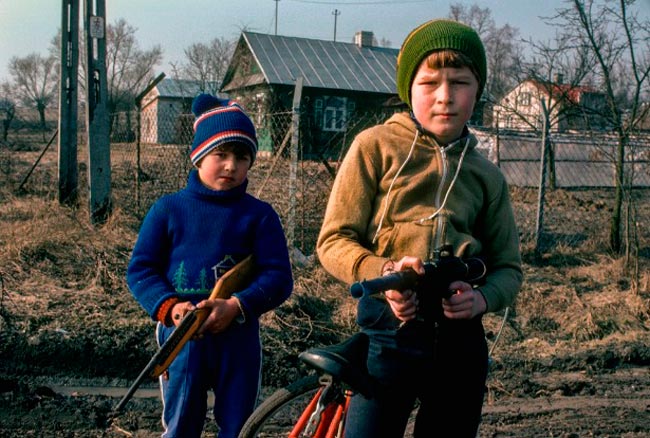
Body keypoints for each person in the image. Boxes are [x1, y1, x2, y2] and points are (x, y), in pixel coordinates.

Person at [316, 19, 523, 437]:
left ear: (477, 90)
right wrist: (383, 271)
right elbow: (333, 241)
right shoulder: (374, 147)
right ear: (408, 90)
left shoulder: (487, 176)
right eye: (429, 83)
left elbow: (509, 269)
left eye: (460, 82)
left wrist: (481, 301)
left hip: (460, 343)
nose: (445, 97)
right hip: (389, 334)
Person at [126, 93, 293, 438]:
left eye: (242, 156)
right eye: (221, 154)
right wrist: (171, 309)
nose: (231, 165)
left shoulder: (259, 216)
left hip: (238, 336)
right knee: (181, 422)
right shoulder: (168, 210)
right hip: (182, 335)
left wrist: (236, 305)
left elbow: (278, 277)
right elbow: (141, 270)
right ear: (199, 156)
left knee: (239, 425)